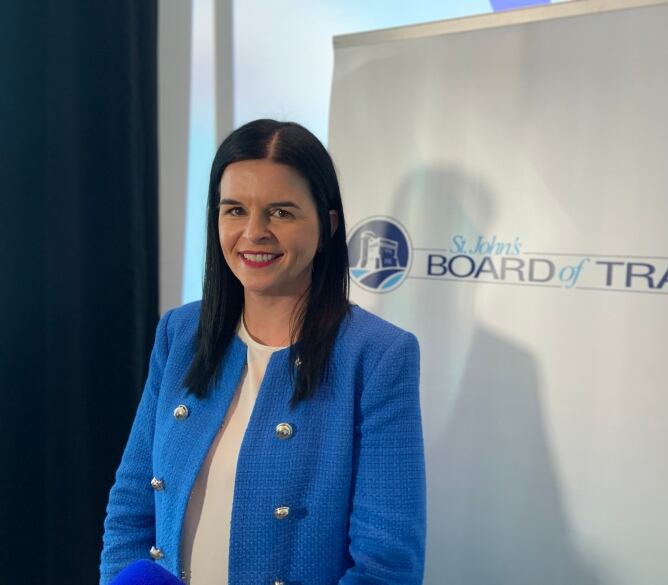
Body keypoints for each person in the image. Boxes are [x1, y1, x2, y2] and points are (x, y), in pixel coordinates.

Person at [99, 120, 426, 585]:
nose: (254, 232)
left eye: (281, 212)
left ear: (328, 225)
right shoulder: (180, 333)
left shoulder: (377, 356)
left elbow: (386, 567)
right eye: (234, 210)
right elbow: (130, 511)